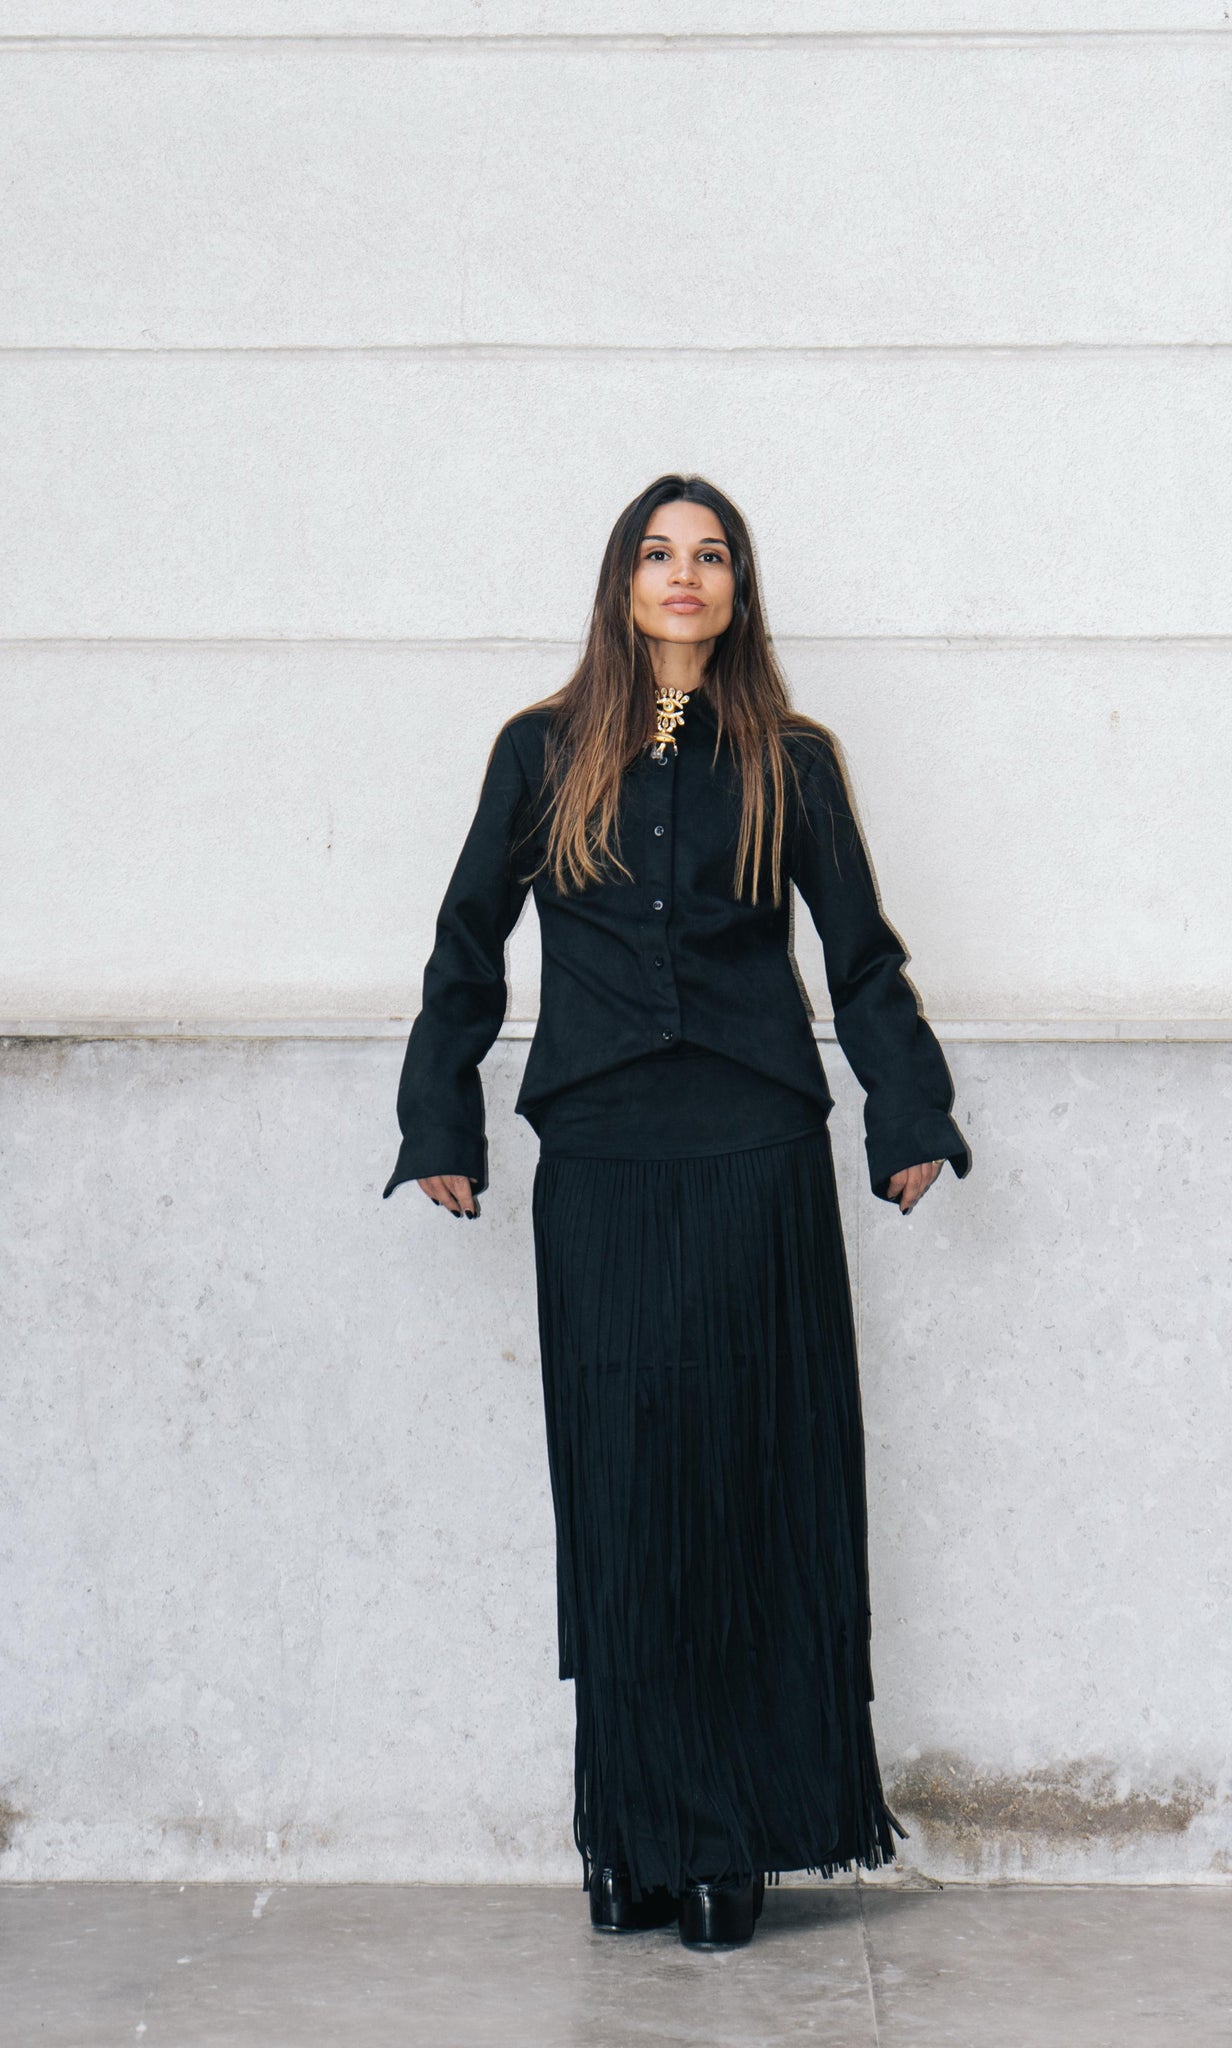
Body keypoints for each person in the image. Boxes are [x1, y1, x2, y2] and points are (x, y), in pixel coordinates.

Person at [383, 473, 971, 1950]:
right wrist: (439, 1116)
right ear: (623, 581)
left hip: (754, 1155)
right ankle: (630, 1831)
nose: (684, 574)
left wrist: (907, 1114)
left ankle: (725, 1838)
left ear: (738, 588)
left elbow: (862, 956)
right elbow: (466, 939)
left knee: (744, 1485)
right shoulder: (539, 751)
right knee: (625, 1489)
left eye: (711, 555)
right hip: (599, 1160)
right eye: (659, 553)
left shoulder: (791, 760)